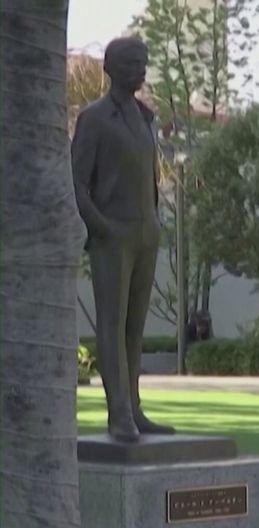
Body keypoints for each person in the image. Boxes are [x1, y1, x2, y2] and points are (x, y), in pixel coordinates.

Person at [71, 36, 173, 441]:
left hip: (146, 233)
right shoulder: (94, 118)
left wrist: (156, 220)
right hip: (113, 236)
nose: (139, 69)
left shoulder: (145, 117)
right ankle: (118, 415)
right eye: (131, 62)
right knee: (111, 327)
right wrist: (101, 227)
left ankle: (134, 407)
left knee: (135, 329)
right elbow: (76, 183)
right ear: (110, 68)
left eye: (143, 62)